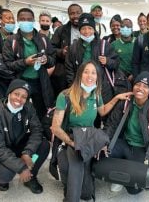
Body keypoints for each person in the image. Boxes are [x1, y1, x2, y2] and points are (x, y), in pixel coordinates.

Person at [51, 61, 132, 202]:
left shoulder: (95, 94)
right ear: (79, 75)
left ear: (97, 77)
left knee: (87, 194)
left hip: (88, 137)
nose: (90, 75)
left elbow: (102, 111)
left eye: (93, 72)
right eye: (86, 72)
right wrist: (72, 142)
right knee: (75, 167)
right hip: (72, 137)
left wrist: (116, 98)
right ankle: (71, 198)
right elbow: (55, 127)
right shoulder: (65, 96)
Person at [104, 71, 149, 195]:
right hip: (124, 143)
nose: (140, 88)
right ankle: (121, 173)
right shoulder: (125, 102)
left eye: (145, 86)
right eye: (138, 84)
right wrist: (103, 142)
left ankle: (123, 172)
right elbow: (111, 125)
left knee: (134, 189)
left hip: (142, 150)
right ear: (133, 86)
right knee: (102, 152)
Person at [0, 79, 50, 193]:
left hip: (19, 145)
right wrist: (21, 167)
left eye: (24, 96)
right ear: (9, 93)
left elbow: (37, 131)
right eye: (16, 94)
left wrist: (28, 152)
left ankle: (30, 176)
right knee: (6, 173)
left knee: (44, 145)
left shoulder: (28, 107)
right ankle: (2, 180)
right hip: (0, 150)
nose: (19, 99)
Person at [3, 7, 56, 120]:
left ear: (33, 21)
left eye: (29, 19)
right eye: (22, 19)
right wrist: (25, 62)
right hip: (21, 82)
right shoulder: (11, 41)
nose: (26, 22)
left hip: (41, 82)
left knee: (41, 112)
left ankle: (41, 135)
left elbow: (53, 59)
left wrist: (47, 60)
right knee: (20, 112)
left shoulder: (43, 39)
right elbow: (8, 65)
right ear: (18, 21)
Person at [65, 13, 119, 104]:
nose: (86, 32)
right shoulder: (73, 48)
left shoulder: (104, 45)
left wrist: (108, 61)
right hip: (80, 88)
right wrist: (73, 86)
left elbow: (116, 63)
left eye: (90, 28)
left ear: (94, 30)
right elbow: (69, 68)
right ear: (79, 30)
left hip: (101, 88)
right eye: (83, 28)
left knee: (101, 112)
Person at [51, 3, 82, 96]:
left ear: (82, 13)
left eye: (78, 13)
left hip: (84, 69)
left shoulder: (89, 29)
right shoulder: (60, 30)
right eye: (72, 13)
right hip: (65, 70)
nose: (75, 16)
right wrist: (61, 52)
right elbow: (51, 48)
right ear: (68, 15)